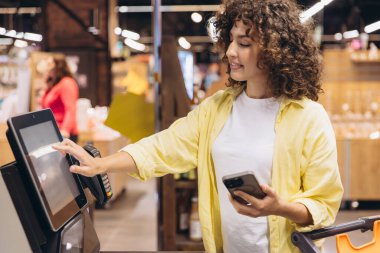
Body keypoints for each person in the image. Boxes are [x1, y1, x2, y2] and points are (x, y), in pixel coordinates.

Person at [53, 0, 343, 252]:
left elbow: (324, 205)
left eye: (244, 43)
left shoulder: (309, 118)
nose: (230, 51)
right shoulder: (217, 109)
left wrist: (279, 208)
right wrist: (101, 164)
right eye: (230, 39)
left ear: (276, 51)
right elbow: (163, 146)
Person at [41, 56, 79, 143]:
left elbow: (70, 108)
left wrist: (65, 130)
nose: (47, 67)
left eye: (49, 64)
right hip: (53, 131)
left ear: (58, 66)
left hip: (63, 133)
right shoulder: (55, 84)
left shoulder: (67, 82)